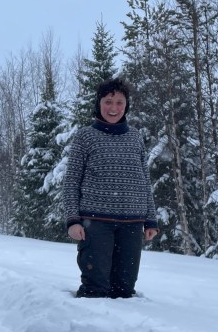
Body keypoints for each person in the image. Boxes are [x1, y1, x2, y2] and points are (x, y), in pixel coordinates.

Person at [62, 78, 159, 298]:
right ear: (99, 103)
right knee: (95, 289)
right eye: (108, 101)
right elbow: (72, 181)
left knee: (124, 291)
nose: (113, 108)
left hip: (132, 225)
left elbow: (144, 180)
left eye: (119, 102)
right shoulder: (85, 136)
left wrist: (150, 221)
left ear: (126, 105)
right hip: (96, 224)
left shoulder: (135, 137)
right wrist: (73, 220)